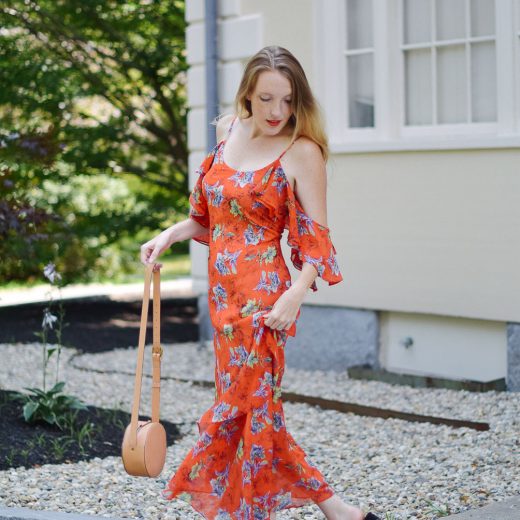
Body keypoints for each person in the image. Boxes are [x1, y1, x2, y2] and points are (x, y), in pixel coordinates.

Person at [141, 46, 381, 520]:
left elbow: (319, 242)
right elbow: (211, 218)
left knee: (245, 407)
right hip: (222, 300)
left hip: (265, 302)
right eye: (267, 99)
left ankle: (257, 512)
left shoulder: (301, 152)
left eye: (288, 101)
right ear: (247, 95)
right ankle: (343, 513)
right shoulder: (226, 132)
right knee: (253, 412)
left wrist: (295, 296)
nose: (277, 112)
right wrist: (168, 235)